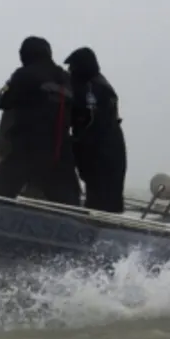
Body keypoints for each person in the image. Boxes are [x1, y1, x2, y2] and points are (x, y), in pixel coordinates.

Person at [0, 36, 81, 206]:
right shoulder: (66, 78)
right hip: (60, 150)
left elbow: (5, 102)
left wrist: (11, 85)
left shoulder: (24, 74)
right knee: (70, 205)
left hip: (27, 147)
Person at [64, 46, 127, 213]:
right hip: (108, 147)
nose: (69, 71)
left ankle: (100, 231)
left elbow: (90, 120)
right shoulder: (101, 84)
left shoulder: (91, 88)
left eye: (72, 67)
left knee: (103, 196)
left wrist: (72, 142)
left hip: (99, 150)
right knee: (107, 195)